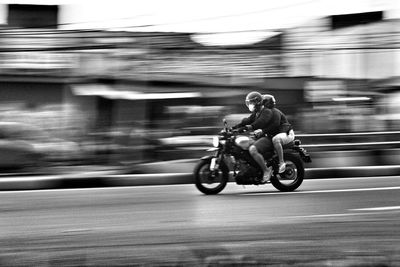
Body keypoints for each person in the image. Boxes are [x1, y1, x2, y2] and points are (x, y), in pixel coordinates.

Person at [232, 91, 281, 183]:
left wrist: (247, 127)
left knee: (253, 149)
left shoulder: (266, 111)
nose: (250, 104)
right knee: (245, 146)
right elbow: (246, 121)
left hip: (270, 137)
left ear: (258, 102)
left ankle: (266, 170)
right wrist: (234, 128)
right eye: (249, 102)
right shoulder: (256, 113)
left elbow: (260, 122)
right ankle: (252, 168)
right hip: (261, 136)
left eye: (251, 102)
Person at [263, 94, 295, 173]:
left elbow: (275, 125)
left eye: (264, 102)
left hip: (287, 134)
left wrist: (262, 131)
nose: (262, 104)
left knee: (276, 139)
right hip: (279, 133)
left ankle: (281, 162)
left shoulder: (275, 112)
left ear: (269, 103)